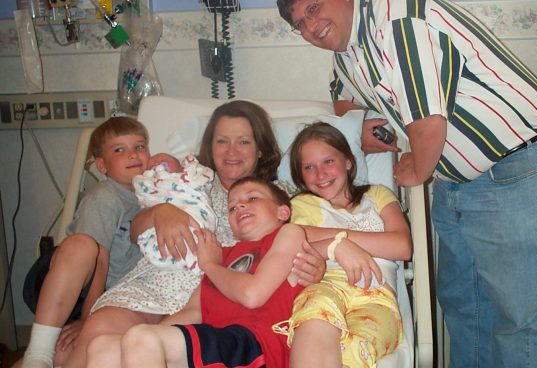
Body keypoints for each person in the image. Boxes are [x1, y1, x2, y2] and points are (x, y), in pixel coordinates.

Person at [277, 0, 537, 367]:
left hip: (511, 172)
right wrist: (368, 130)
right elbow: (344, 105)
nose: (310, 27)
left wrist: (415, 169)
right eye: (299, 24)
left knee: (515, 317)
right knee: (465, 306)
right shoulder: (348, 52)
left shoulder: (396, 18)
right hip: (455, 182)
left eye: (313, 8)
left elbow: (428, 124)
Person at [59, 100, 325, 368]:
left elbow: (304, 236)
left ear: (260, 149)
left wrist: (319, 263)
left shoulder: (282, 196)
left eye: (243, 141)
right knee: (100, 332)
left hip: (216, 298)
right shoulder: (188, 179)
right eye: (222, 141)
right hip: (158, 283)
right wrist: (160, 212)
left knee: (140, 343)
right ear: (210, 147)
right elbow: (134, 231)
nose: (231, 151)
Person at [85, 177, 306, 368]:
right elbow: (192, 312)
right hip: (216, 343)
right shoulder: (222, 255)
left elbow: (252, 295)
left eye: (252, 198)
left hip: (256, 345)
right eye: (232, 207)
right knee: (104, 345)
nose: (239, 206)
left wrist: (209, 265)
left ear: (283, 212)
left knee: (141, 337)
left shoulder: (288, 234)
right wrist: (139, 342)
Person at [18, 117, 150, 368]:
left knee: (64, 353)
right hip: (72, 284)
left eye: (140, 146)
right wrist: (89, 318)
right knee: (83, 246)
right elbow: (99, 259)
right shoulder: (106, 197)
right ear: (102, 165)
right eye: (119, 150)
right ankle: (38, 352)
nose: (133, 154)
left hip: (106, 296)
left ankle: (36, 360)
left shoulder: (147, 195)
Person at [286, 122, 412, 368]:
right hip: (325, 285)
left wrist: (338, 241)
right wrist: (340, 246)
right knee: (314, 314)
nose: (320, 174)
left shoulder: (377, 195)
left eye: (328, 161)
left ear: (348, 162)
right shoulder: (299, 205)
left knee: (355, 348)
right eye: (309, 167)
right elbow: (293, 245)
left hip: (376, 297)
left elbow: (402, 246)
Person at [134, 154, 215, 272]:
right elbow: (134, 232)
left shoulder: (194, 176)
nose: (157, 163)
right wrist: (159, 211)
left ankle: (193, 258)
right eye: (152, 168)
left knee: (195, 234)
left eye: (164, 162)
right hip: (153, 263)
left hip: (192, 215)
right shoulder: (149, 186)